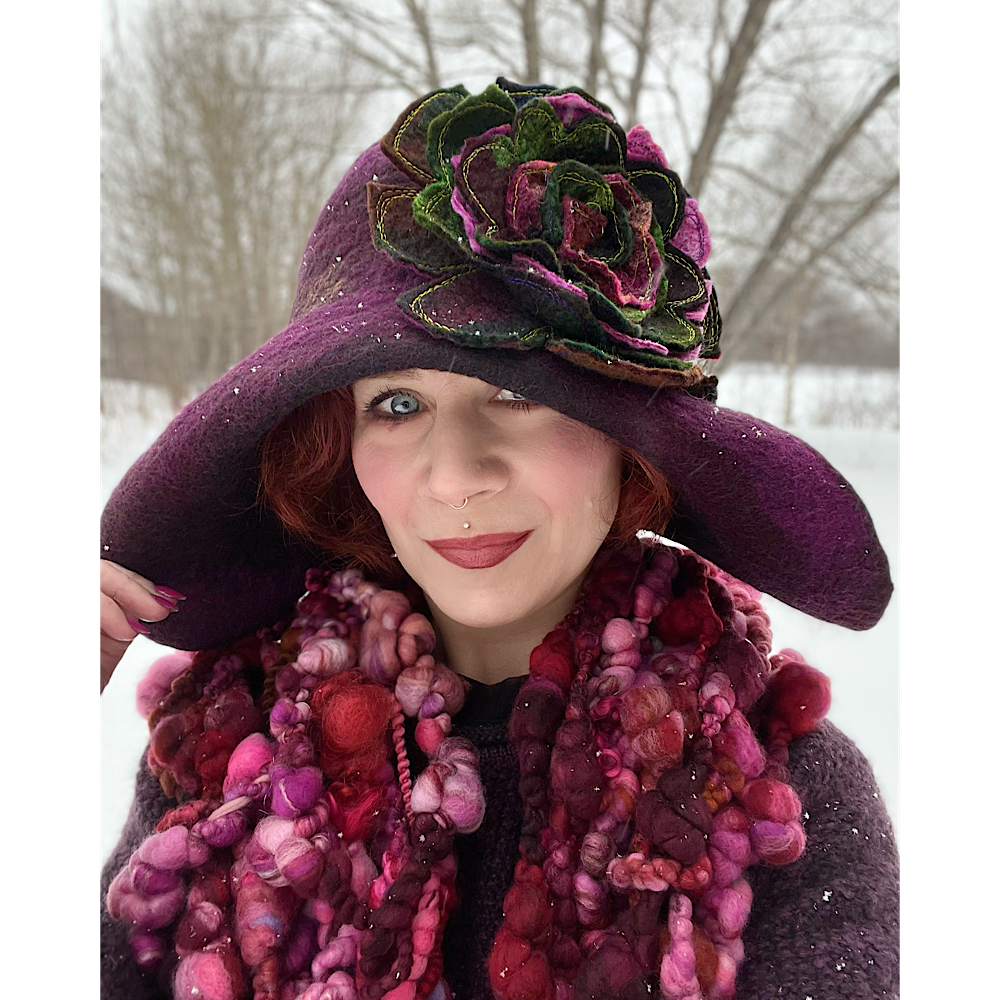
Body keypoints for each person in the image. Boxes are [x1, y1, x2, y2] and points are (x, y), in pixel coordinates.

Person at [100, 79, 899, 1000]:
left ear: (628, 441)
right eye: (397, 405)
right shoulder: (225, 763)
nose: (457, 474)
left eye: (520, 395)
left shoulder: (782, 798)